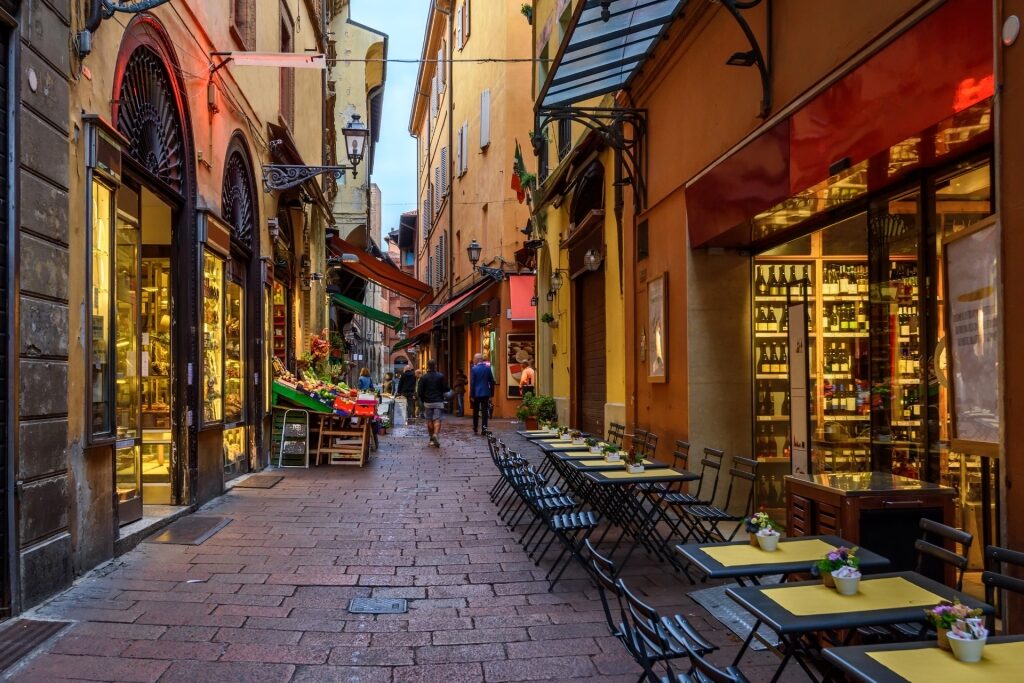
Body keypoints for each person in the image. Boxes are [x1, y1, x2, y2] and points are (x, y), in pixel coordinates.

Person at [417, 359, 450, 448]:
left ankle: (431, 438)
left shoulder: (423, 377)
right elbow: (446, 388)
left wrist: (423, 399)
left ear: (427, 366)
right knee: (437, 419)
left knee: (429, 420)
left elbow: (420, 392)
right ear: (435, 366)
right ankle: (435, 434)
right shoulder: (440, 376)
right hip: (438, 401)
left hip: (428, 402)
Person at [469, 353, 495, 434]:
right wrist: (491, 394)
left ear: (477, 359)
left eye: (474, 359)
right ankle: (484, 429)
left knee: (475, 411)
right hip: (485, 393)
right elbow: (492, 381)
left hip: (476, 393)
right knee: (484, 412)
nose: (473, 360)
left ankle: (475, 427)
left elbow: (472, 383)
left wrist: (472, 395)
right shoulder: (488, 368)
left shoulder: (474, 369)